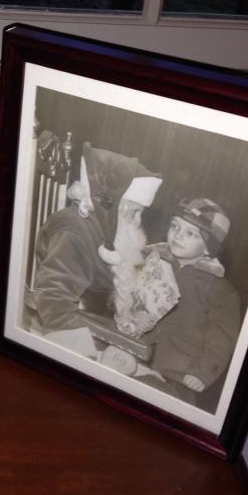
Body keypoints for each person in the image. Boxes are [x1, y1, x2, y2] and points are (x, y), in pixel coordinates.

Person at [103, 197, 242, 406]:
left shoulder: (219, 289)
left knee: (157, 400)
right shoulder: (153, 259)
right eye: (175, 226)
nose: (178, 236)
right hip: (135, 350)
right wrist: (129, 310)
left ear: (208, 248)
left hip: (177, 372)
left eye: (190, 233)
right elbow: (126, 290)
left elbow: (221, 338)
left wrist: (202, 372)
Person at [27, 142, 161, 346]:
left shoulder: (103, 229)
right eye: (134, 212)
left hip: (102, 327)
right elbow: (54, 301)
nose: (137, 222)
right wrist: (86, 354)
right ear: (109, 206)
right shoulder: (73, 232)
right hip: (80, 335)